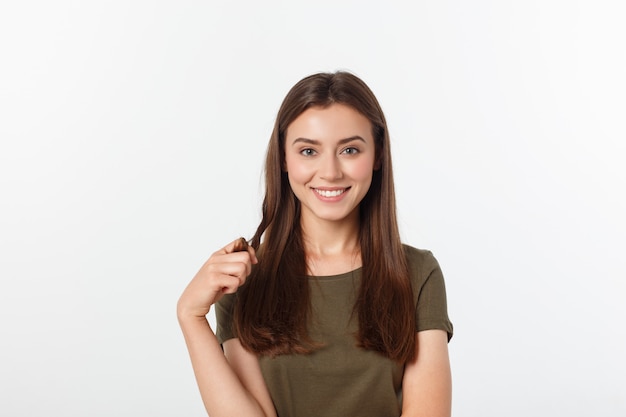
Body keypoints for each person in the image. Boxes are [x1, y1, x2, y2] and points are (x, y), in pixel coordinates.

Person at [177, 71, 453, 417]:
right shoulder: (243, 279)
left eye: (350, 150)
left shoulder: (417, 274)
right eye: (309, 151)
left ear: (378, 155)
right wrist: (190, 315)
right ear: (283, 158)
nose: (330, 172)